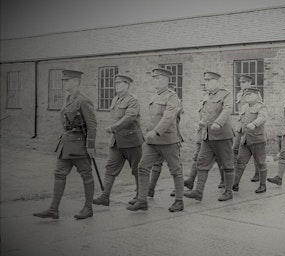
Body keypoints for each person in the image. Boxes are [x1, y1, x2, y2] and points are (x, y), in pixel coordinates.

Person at [33, 70, 97, 219]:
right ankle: (53, 209)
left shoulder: (83, 100)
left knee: (86, 175)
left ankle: (88, 208)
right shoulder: (68, 98)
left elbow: (92, 125)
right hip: (66, 145)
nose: (64, 83)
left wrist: (90, 146)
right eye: (64, 80)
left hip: (80, 146)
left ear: (75, 81)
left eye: (67, 80)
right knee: (59, 174)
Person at [127, 68, 184, 212]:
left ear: (166, 80)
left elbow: (168, 117)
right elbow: (152, 119)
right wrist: (149, 132)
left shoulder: (172, 97)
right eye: (154, 78)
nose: (155, 81)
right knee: (142, 167)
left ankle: (179, 201)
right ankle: (142, 200)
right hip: (152, 142)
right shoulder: (154, 97)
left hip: (168, 140)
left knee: (175, 170)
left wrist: (156, 132)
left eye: (158, 78)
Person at [92, 74, 144, 206]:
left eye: (120, 83)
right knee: (110, 168)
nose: (116, 85)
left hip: (131, 141)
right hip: (116, 141)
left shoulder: (133, 101)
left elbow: (129, 118)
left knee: (137, 170)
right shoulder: (115, 99)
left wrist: (113, 128)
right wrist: (114, 131)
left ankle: (140, 197)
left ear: (127, 85)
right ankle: (105, 196)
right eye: (116, 83)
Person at [184, 71, 235, 201]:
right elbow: (204, 113)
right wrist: (201, 123)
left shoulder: (225, 94)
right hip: (207, 136)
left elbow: (228, 109)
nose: (206, 83)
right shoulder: (206, 96)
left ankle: (228, 192)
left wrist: (218, 122)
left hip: (222, 136)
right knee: (202, 163)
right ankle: (198, 192)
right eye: (205, 81)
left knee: (227, 164)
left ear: (216, 81)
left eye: (209, 81)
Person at [232, 87, 268, 193]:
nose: (247, 97)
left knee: (261, 163)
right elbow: (240, 121)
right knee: (240, 162)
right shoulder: (244, 107)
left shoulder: (261, 106)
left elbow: (263, 117)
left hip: (257, 139)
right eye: (246, 95)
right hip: (245, 139)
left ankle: (262, 185)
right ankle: (235, 184)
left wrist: (254, 124)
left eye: (250, 95)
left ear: (256, 96)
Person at [233, 75, 262, 183]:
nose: (242, 84)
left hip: (252, 125)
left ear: (250, 83)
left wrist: (254, 124)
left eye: (244, 82)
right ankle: (233, 174)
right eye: (240, 82)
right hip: (241, 125)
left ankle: (258, 173)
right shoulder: (239, 94)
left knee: (255, 150)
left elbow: (259, 107)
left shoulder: (255, 93)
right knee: (235, 148)